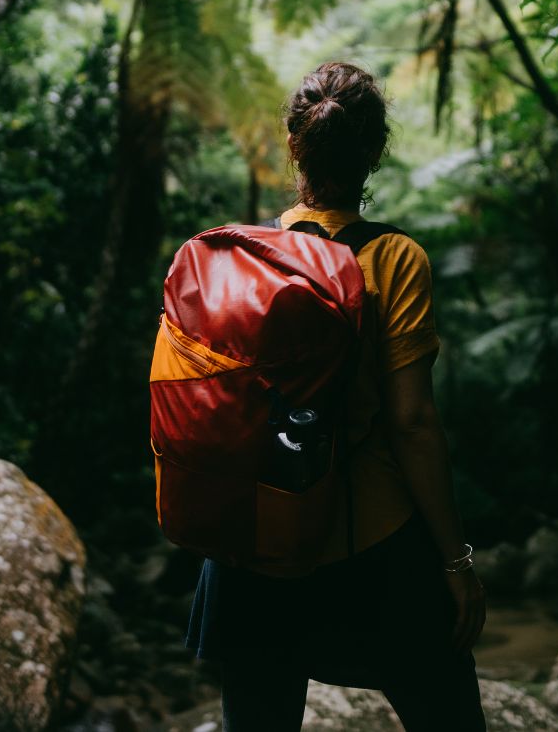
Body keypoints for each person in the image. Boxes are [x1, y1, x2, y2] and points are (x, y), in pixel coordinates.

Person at [183, 60, 488, 731]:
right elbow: (411, 424)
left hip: (254, 545)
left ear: (295, 145)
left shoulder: (240, 258)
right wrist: (456, 562)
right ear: (375, 153)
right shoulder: (396, 259)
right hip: (370, 539)